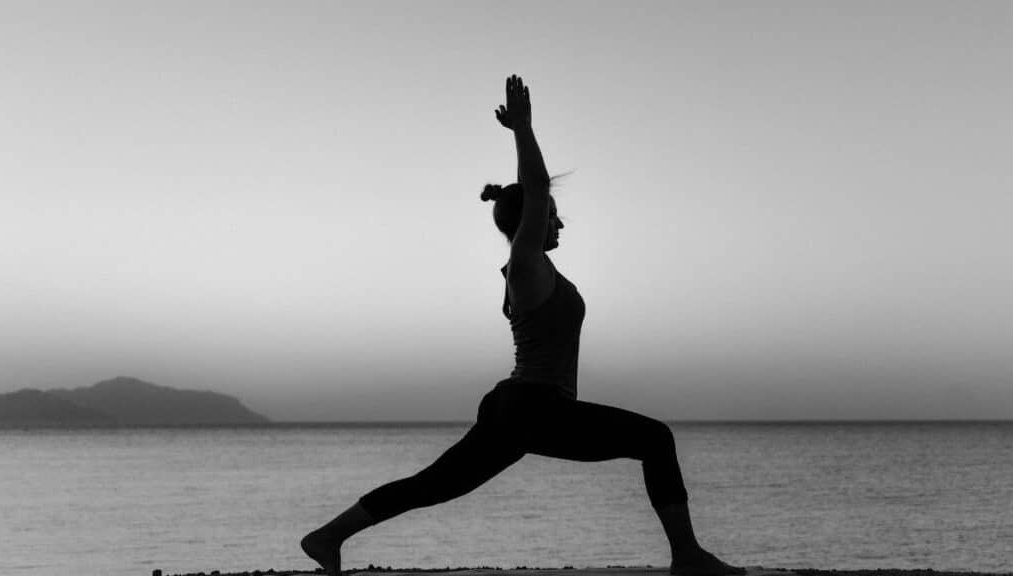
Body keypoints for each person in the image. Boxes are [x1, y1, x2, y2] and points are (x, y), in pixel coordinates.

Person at [301, 74, 745, 576]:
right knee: (655, 439)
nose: (559, 223)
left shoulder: (539, 270)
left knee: (433, 485)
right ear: (529, 224)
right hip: (534, 405)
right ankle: (687, 557)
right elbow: (535, 189)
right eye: (553, 216)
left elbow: (535, 200)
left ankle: (327, 536)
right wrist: (523, 130)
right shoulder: (526, 263)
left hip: (519, 409)